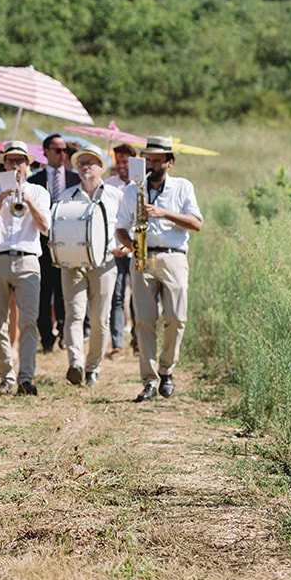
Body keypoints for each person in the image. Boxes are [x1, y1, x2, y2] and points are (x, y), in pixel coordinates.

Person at [116, 135, 204, 402]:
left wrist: (163, 213)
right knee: (144, 321)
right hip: (143, 256)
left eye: (157, 160)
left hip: (173, 255)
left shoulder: (182, 186)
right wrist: (133, 246)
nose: (152, 165)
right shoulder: (132, 190)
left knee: (176, 317)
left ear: (170, 162)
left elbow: (196, 224)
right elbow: (120, 227)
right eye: (148, 160)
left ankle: (167, 370)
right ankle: (150, 380)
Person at [0, 140, 53, 395]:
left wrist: (28, 200)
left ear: (27, 165)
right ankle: (6, 377)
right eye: (10, 161)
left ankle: (26, 377)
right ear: (4, 165)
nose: (15, 165)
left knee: (29, 321)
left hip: (27, 259)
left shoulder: (39, 192)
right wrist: (3, 196)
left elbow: (45, 227)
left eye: (19, 161)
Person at [57, 145, 119, 388]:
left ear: (101, 167)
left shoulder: (115, 195)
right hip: (73, 263)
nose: (85, 166)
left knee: (100, 319)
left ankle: (93, 368)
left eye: (90, 162)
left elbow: (126, 224)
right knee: (73, 315)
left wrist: (123, 247)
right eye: (81, 162)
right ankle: (76, 363)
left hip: (105, 262)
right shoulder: (67, 195)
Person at [30, 134, 79, 353]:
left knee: (65, 290)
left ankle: (64, 331)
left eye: (65, 150)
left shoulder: (75, 179)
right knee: (42, 291)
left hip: (68, 243)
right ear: (46, 152)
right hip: (42, 243)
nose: (62, 154)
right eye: (57, 150)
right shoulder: (35, 180)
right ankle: (46, 338)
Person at [101, 142, 138, 355]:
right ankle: (117, 344)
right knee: (117, 295)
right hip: (116, 248)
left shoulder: (141, 184)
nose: (121, 166)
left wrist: (131, 245)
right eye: (118, 161)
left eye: (125, 162)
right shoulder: (108, 185)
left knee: (137, 296)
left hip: (136, 247)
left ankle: (137, 341)